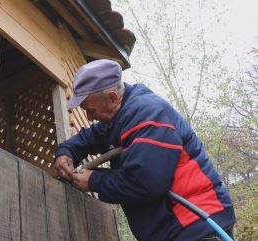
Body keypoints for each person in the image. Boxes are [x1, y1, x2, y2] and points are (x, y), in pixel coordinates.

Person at [54, 59, 236, 241]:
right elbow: (89, 138)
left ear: (112, 97)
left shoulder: (148, 115)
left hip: (196, 225)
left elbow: (145, 184)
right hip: (177, 230)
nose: (89, 116)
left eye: (91, 109)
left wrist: (94, 181)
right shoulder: (118, 118)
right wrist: (66, 151)